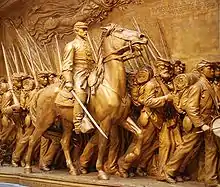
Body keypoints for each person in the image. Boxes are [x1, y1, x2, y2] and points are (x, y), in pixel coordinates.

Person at [163, 60, 219, 187]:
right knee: (186, 147)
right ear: (201, 71)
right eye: (209, 68)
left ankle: (211, 180)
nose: (212, 71)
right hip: (199, 124)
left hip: (210, 123)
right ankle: (168, 171)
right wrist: (200, 124)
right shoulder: (198, 86)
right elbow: (191, 108)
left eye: (212, 69)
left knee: (212, 150)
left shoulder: (209, 85)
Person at [62, 21, 95, 133]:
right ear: (76, 30)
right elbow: (67, 65)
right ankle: (78, 123)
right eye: (83, 29)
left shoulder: (88, 45)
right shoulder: (71, 45)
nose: (86, 32)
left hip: (91, 72)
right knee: (80, 92)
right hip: (78, 73)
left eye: (86, 29)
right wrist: (69, 81)